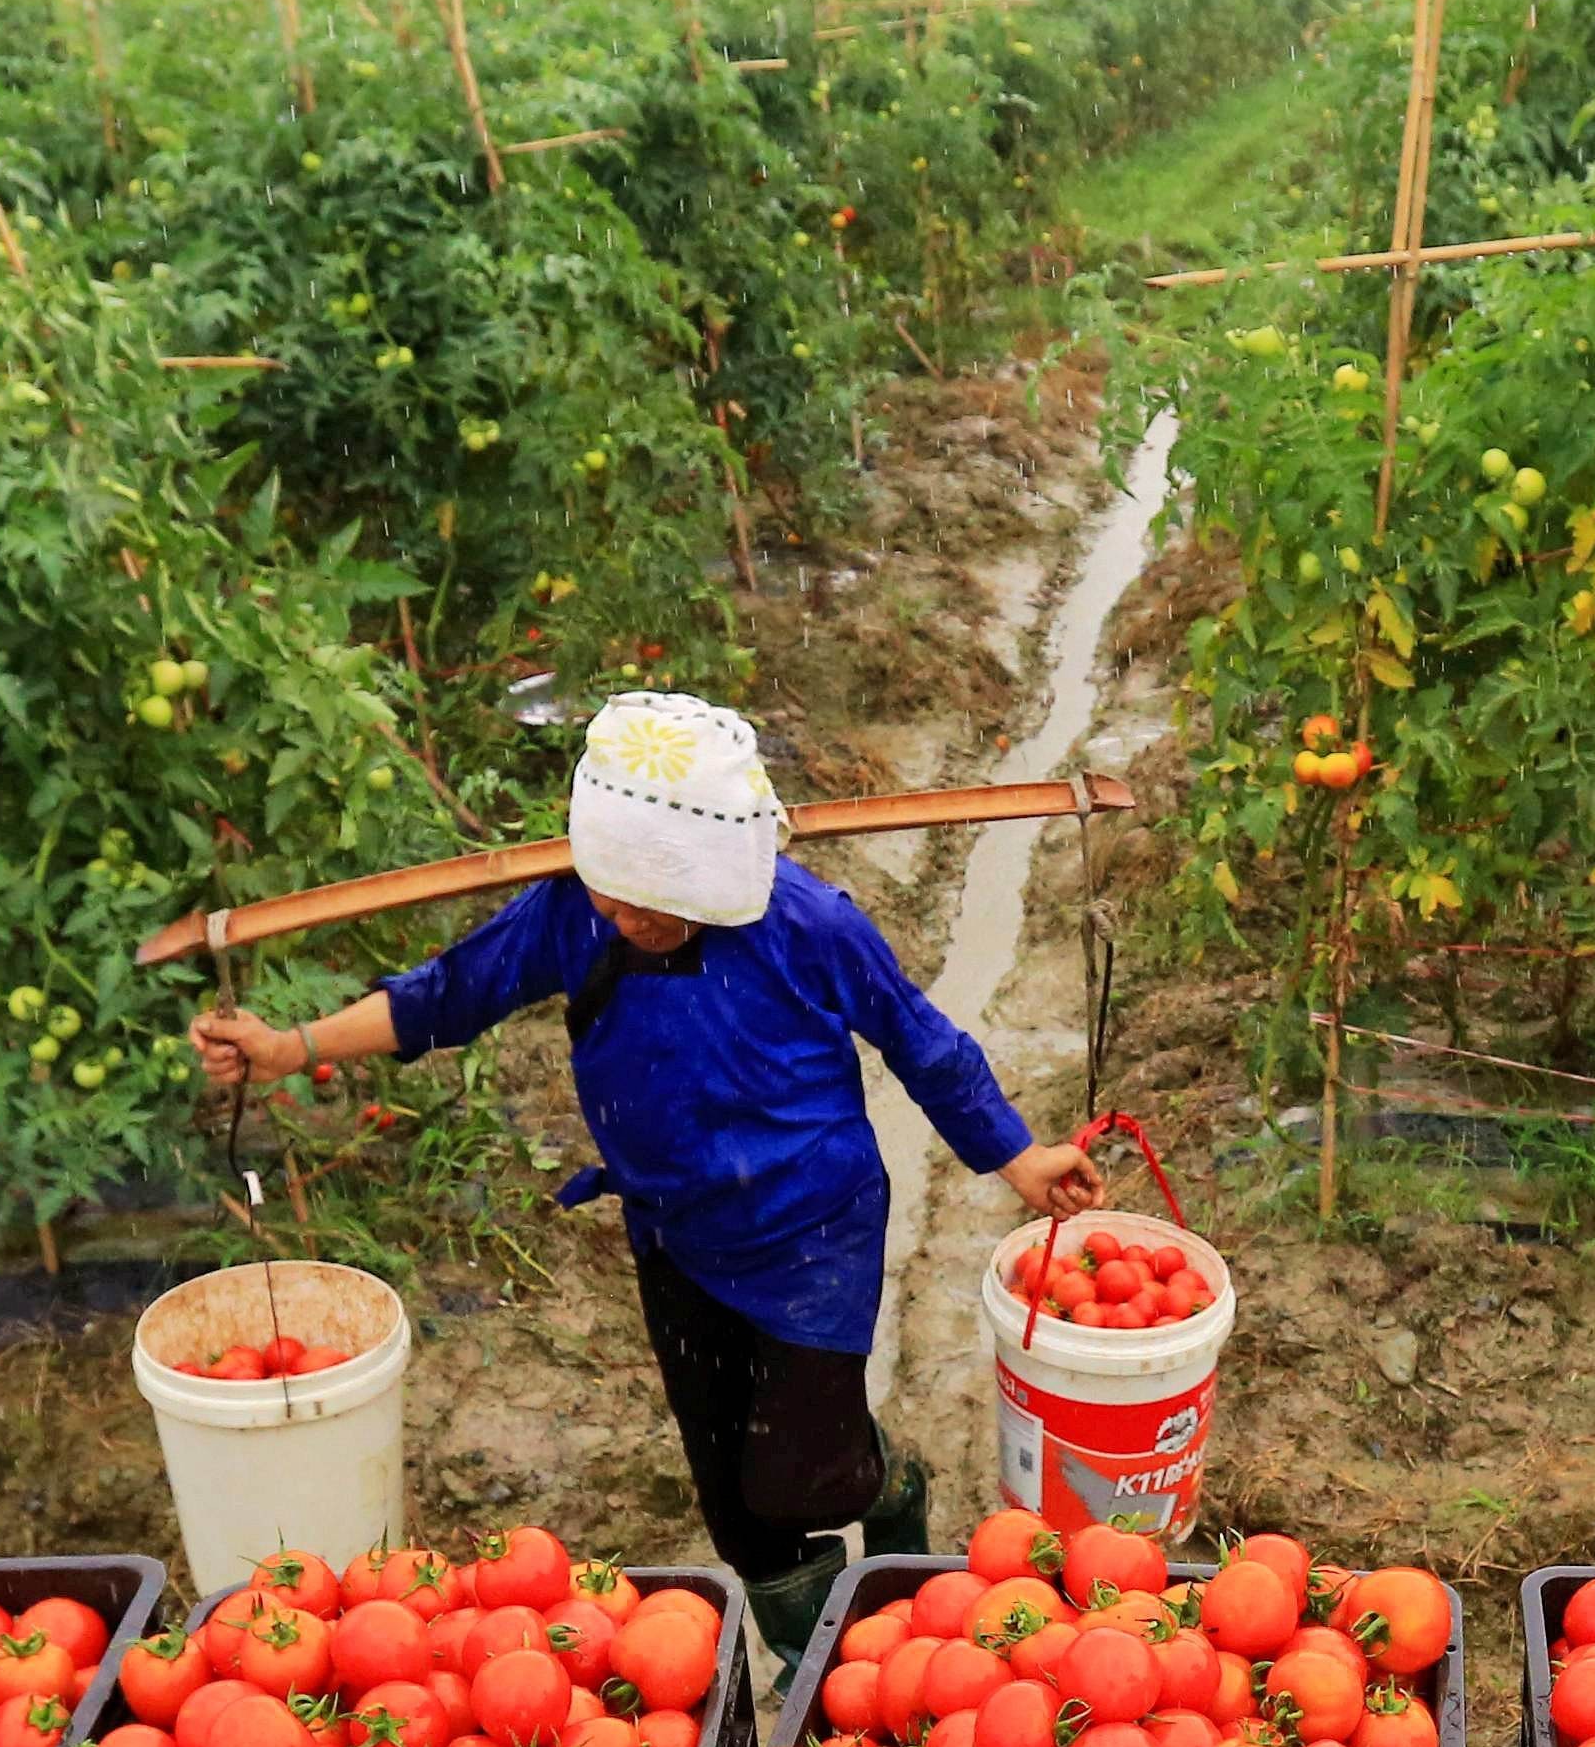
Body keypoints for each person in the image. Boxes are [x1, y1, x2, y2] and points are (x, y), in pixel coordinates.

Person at [189, 691, 1100, 1620]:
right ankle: (823, 1666)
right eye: (610, 894)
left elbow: (922, 1042)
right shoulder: (573, 913)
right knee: (736, 1509)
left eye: (654, 905)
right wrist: (289, 1047)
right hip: (674, 1234)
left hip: (810, 1234)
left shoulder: (811, 927)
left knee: (803, 1482)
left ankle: (886, 1484)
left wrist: (1017, 1156)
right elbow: (444, 997)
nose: (624, 916)